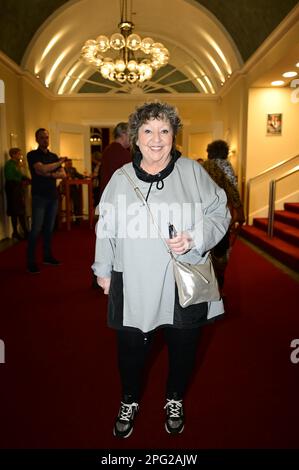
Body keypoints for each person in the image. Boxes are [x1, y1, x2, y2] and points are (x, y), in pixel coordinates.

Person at [92, 102, 231, 438]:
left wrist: (195, 237)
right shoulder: (120, 179)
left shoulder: (193, 172)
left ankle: (174, 398)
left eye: (165, 130)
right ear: (136, 139)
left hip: (184, 280)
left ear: (173, 136)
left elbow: (220, 212)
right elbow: (106, 227)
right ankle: (129, 400)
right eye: (148, 131)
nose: (157, 139)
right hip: (134, 280)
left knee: (184, 347)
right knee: (130, 351)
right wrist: (103, 269)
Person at [203, 140, 245, 289]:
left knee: (207, 249)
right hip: (220, 214)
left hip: (203, 214)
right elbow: (232, 189)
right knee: (221, 250)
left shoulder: (203, 166)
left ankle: (207, 282)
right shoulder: (226, 166)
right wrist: (240, 211)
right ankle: (219, 287)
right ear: (225, 152)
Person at [26, 128, 67, 274]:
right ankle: (31, 261)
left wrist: (49, 173)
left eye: (47, 137)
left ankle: (47, 256)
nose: (45, 140)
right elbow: (40, 169)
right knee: (36, 229)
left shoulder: (53, 155)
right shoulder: (32, 155)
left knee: (49, 229)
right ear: (37, 139)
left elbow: (63, 174)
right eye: (42, 138)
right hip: (39, 197)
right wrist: (58, 164)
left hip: (52, 196)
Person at [4, 147, 30, 240]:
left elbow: (19, 175)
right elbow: (10, 177)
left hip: (17, 189)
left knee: (21, 211)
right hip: (13, 190)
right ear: (13, 155)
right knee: (15, 211)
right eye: (19, 154)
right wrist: (21, 180)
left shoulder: (16, 164)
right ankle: (15, 232)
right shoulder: (9, 165)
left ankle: (25, 231)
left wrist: (27, 178)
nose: (20, 155)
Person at [99, 122, 131, 195]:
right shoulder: (121, 152)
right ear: (123, 134)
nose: (132, 138)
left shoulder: (108, 149)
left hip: (107, 193)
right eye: (130, 135)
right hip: (117, 194)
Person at [63, 158, 85, 224]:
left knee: (77, 201)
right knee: (74, 199)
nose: (70, 165)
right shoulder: (63, 169)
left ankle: (77, 219)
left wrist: (85, 176)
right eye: (69, 163)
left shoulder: (73, 169)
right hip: (65, 188)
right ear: (65, 164)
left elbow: (78, 175)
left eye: (71, 163)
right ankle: (69, 219)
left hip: (73, 188)